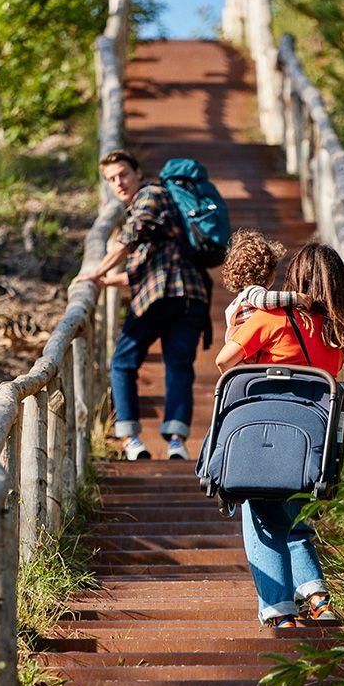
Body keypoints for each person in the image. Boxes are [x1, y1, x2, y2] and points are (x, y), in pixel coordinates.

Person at [215, 243, 344, 627]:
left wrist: (233, 328)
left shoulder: (267, 320)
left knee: (261, 515)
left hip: (264, 438)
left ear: (295, 280)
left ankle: (278, 608)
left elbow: (225, 362)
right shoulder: (335, 335)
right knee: (293, 516)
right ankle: (317, 595)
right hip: (311, 446)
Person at [75, 149, 209, 461]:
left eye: (123, 174)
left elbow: (128, 239)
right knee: (178, 367)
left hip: (162, 296)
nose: (118, 182)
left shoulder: (149, 195)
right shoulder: (165, 206)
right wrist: (109, 282)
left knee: (122, 362)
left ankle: (131, 439)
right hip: (190, 296)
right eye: (111, 179)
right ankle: (177, 443)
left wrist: (94, 271)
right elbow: (143, 267)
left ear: (138, 172)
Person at [221, 228, 311, 343]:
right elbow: (264, 300)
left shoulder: (241, 298)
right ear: (269, 272)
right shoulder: (253, 292)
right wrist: (295, 297)